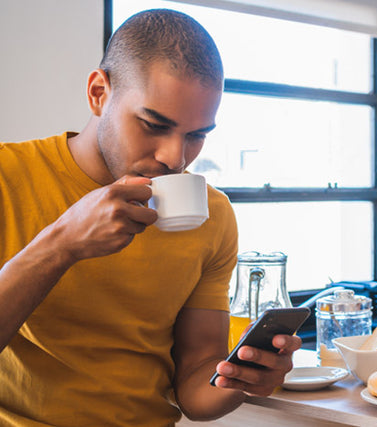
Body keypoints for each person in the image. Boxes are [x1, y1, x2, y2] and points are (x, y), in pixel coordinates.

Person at [0, 9, 301, 425]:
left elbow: (195, 391)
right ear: (98, 93)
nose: (175, 159)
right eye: (153, 124)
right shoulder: (8, 177)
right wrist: (63, 242)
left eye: (196, 135)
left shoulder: (211, 216)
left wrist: (242, 379)